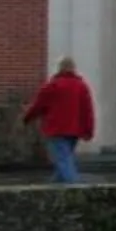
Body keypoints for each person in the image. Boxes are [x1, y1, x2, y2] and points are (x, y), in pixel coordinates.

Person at [21, 57, 97, 185]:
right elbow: (88, 110)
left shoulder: (53, 85)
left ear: (60, 68)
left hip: (56, 129)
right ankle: (56, 185)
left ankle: (75, 188)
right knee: (65, 158)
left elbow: (38, 105)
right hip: (75, 130)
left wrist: (27, 118)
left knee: (63, 159)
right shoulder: (82, 87)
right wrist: (88, 130)